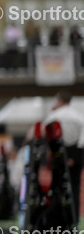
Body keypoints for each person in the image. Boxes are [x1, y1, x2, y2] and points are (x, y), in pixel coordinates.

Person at [42, 90, 83, 223]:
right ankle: (74, 219)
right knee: (74, 188)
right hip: (76, 154)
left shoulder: (53, 116)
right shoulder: (79, 116)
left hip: (58, 154)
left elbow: (44, 132)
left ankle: (58, 220)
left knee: (57, 187)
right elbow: (82, 140)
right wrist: (74, 157)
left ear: (59, 101)